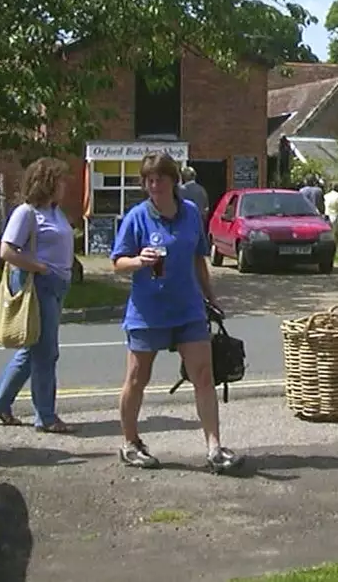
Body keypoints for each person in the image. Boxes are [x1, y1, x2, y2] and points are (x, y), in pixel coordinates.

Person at [111, 152, 242, 473]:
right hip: (148, 312)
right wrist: (138, 261)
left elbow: (199, 260)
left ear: (173, 180)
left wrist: (211, 298)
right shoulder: (137, 217)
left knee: (203, 377)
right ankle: (130, 443)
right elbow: (117, 263)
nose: (154, 185)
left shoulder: (190, 213)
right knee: (137, 378)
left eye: (160, 179)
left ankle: (214, 448)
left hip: (188, 309)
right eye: (149, 180)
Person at [0, 157, 77, 434]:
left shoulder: (55, 211)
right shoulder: (27, 213)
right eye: (60, 181)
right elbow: (7, 251)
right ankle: (46, 416)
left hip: (57, 285)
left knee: (32, 350)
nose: (64, 187)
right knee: (47, 353)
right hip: (40, 286)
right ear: (48, 183)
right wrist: (40, 268)